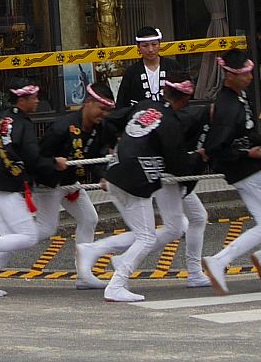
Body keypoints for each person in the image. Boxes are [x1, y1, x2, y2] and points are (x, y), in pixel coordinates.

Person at [75, 73, 201, 302]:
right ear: (185, 100)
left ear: (165, 91)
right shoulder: (171, 122)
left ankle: (100, 252)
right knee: (146, 237)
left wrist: (113, 148)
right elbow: (179, 165)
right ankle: (116, 284)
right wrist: (200, 158)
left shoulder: (144, 106)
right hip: (135, 180)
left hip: (116, 172)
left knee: (145, 234)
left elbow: (110, 121)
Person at [201, 48, 261, 295]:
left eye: (249, 72)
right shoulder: (226, 105)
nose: (249, 77)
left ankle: (219, 261)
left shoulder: (239, 97)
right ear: (230, 75)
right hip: (241, 169)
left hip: (247, 168)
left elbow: (248, 134)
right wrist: (250, 156)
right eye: (244, 73)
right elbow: (215, 147)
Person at [0, 80, 65, 297]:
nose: (37, 101)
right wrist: (54, 164)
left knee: (9, 241)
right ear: (22, 100)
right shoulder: (23, 125)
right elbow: (33, 159)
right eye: (34, 98)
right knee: (27, 237)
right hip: (6, 191)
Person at [35, 82, 117, 289]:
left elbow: (98, 157)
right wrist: (53, 163)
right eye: (102, 108)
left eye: (107, 110)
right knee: (45, 229)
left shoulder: (101, 128)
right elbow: (37, 157)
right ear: (88, 102)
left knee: (89, 218)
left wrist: (104, 176)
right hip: (48, 185)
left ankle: (83, 274)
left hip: (71, 183)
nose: (104, 114)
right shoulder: (61, 127)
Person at [115, 27, 178, 108]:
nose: (150, 49)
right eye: (145, 45)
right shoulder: (131, 72)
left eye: (154, 44)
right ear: (138, 47)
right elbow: (122, 102)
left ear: (159, 45)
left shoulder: (173, 66)